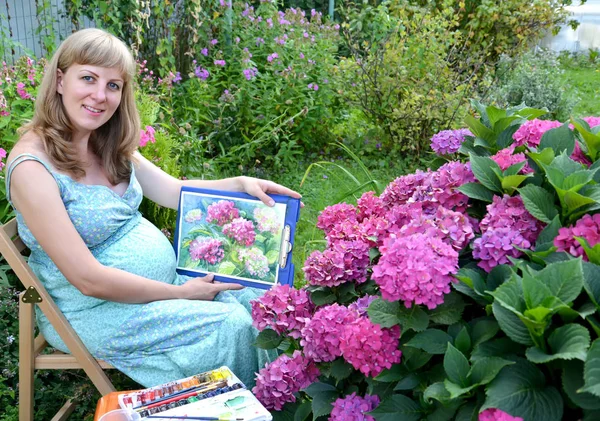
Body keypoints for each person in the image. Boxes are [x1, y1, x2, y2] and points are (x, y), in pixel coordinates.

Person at [5, 28, 301, 388]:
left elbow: (174, 191)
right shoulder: (32, 168)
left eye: (113, 85)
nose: (100, 96)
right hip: (94, 311)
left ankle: (275, 394)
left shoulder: (103, 140)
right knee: (231, 325)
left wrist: (239, 185)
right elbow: (87, 279)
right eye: (89, 78)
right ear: (61, 79)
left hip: (155, 289)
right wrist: (181, 294)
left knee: (257, 295)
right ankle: (240, 406)